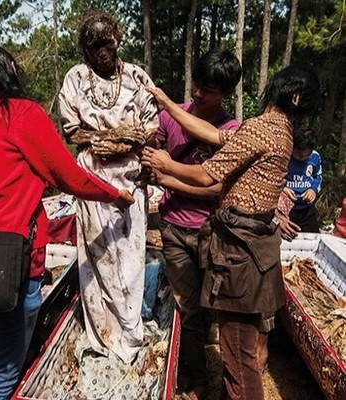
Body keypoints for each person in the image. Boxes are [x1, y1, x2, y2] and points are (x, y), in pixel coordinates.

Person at [0, 43, 134, 399]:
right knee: (2, 370)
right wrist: (115, 194)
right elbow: (67, 175)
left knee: (12, 344)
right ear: (8, 72)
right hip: (18, 255)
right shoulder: (21, 115)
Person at [142, 65, 320, 400]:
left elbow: (210, 174)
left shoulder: (264, 127)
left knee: (239, 358)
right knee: (241, 351)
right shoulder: (281, 129)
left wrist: (166, 167)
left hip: (239, 254)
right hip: (252, 251)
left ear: (281, 90)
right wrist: (167, 103)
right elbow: (213, 135)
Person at [58, 9, 159, 364]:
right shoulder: (75, 79)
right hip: (92, 180)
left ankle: (130, 332)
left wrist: (128, 142)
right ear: (84, 51)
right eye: (93, 45)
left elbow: (151, 125)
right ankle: (104, 333)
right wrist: (108, 137)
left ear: (117, 38)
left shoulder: (135, 76)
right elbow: (72, 131)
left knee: (131, 256)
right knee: (99, 255)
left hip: (130, 177)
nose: (102, 51)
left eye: (106, 42)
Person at [152, 49, 242, 400]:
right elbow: (153, 155)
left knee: (209, 308)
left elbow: (219, 188)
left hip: (210, 231)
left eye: (209, 89)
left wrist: (169, 179)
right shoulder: (170, 118)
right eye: (197, 85)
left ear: (226, 92)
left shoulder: (231, 130)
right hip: (174, 227)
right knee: (189, 307)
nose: (199, 93)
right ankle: (196, 379)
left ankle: (202, 368)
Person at [281, 127, 322, 234]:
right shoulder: (284, 156)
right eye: (299, 155)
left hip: (307, 209)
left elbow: (318, 177)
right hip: (286, 208)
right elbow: (274, 178)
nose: (302, 158)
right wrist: (283, 189)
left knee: (312, 238)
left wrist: (313, 190)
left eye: (306, 155)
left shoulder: (315, 157)